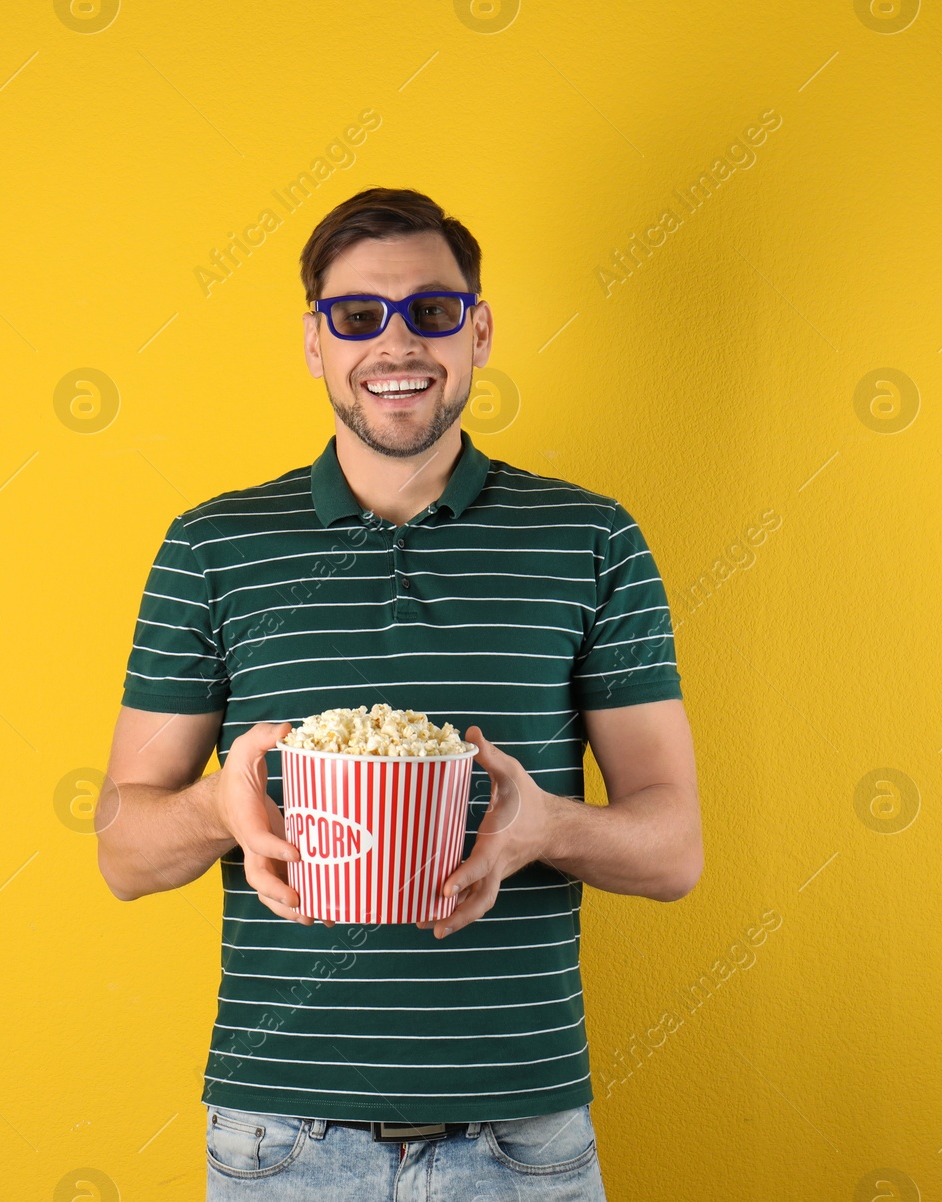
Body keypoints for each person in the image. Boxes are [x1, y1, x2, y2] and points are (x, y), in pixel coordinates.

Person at [95, 187, 702, 1200]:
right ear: (314, 341)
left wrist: (540, 823)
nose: (396, 343)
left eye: (430, 310)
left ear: (477, 330)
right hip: (281, 1139)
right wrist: (217, 804)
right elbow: (122, 850)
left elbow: (673, 846)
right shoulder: (212, 547)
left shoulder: (590, 539)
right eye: (357, 315)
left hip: (522, 1139)